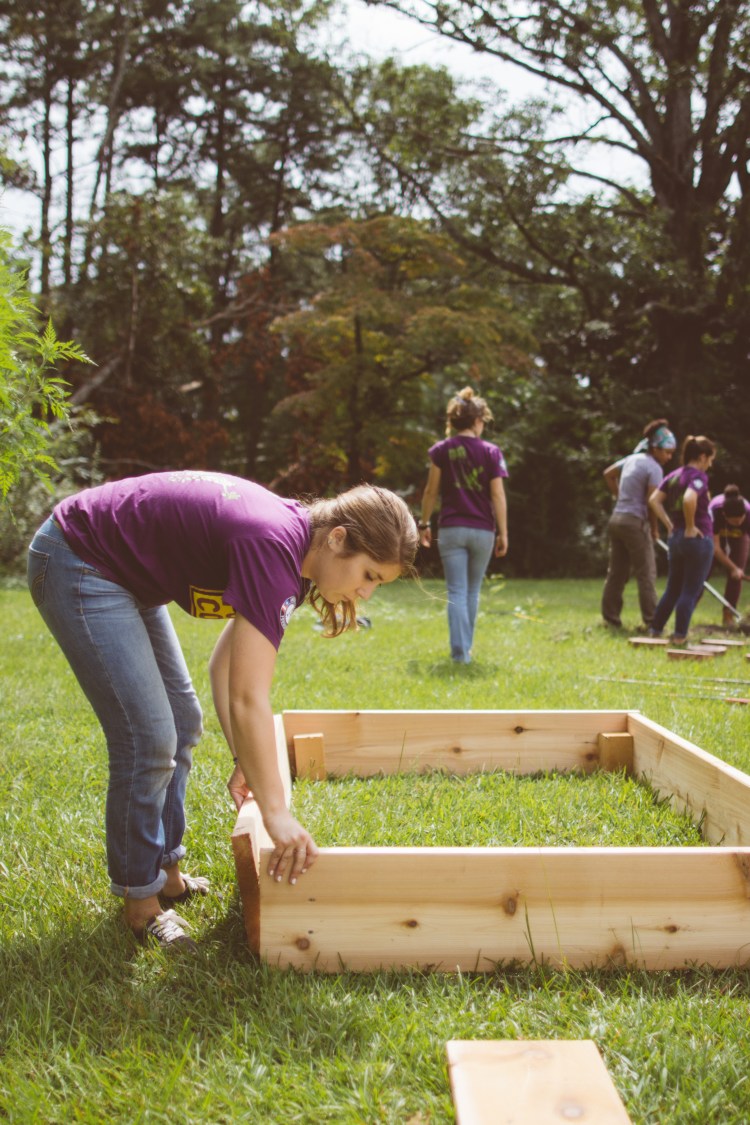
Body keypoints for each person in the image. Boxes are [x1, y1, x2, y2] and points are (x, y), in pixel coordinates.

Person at [27, 471, 418, 950]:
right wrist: (276, 814)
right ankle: (140, 903)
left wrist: (243, 759)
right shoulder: (272, 544)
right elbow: (247, 696)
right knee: (147, 738)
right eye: (369, 576)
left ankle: (167, 871)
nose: (366, 593)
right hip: (80, 558)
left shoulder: (296, 558)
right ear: (338, 538)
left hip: (126, 574)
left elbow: (223, 667)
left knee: (182, 722)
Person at [418, 387, 508, 664]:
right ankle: (465, 650)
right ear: (478, 420)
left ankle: (460, 654)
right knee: (472, 591)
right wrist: (504, 532)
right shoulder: (491, 452)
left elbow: (431, 491)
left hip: (452, 529)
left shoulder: (441, 450)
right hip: (483, 531)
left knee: (456, 590)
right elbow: (497, 495)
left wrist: (424, 523)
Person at [601, 419, 677, 630]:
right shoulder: (654, 468)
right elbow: (652, 504)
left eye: (671, 453)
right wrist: (654, 529)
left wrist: (620, 496)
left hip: (617, 519)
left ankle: (610, 618)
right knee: (647, 572)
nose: (669, 457)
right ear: (655, 448)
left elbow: (608, 474)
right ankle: (652, 621)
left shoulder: (632, 459)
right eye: (666, 452)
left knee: (616, 572)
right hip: (635, 522)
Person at [647, 435, 717, 643]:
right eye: (710, 459)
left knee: (673, 588)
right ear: (702, 456)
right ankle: (679, 637)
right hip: (697, 538)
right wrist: (689, 526)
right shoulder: (698, 476)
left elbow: (654, 500)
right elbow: (689, 498)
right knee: (691, 590)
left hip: (676, 539)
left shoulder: (674, 475)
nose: (711, 464)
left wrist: (669, 525)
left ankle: (655, 630)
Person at [709, 484, 750, 625]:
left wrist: (737, 569)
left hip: (740, 538)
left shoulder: (748, 513)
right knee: (702, 573)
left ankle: (728, 616)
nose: (738, 523)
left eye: (741, 519)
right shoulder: (715, 511)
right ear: (725, 515)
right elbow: (715, 549)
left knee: (737, 575)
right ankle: (687, 613)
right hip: (715, 538)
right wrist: (732, 568)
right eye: (734, 521)